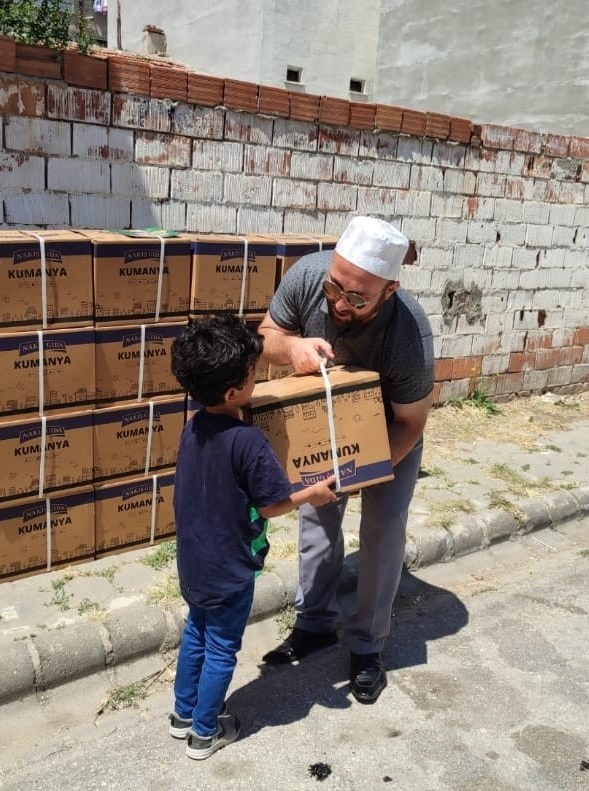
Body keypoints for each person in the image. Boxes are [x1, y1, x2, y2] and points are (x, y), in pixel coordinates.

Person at [257, 216, 434, 705]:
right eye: (335, 287)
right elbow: (266, 335)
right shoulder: (308, 276)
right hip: (323, 419)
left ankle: (367, 645)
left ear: (389, 290)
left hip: (389, 430)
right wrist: (291, 346)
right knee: (316, 518)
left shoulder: (409, 334)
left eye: (357, 299)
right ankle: (314, 624)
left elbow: (411, 422)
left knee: (383, 530)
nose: (339, 303)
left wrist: (363, 471)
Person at [168, 314, 338, 760]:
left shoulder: (193, 426)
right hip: (229, 569)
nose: (257, 379)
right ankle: (205, 732)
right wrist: (313, 494)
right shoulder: (247, 440)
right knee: (222, 648)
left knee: (196, 634)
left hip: (194, 562)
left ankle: (183, 714)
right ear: (232, 392)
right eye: (252, 374)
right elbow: (270, 505)